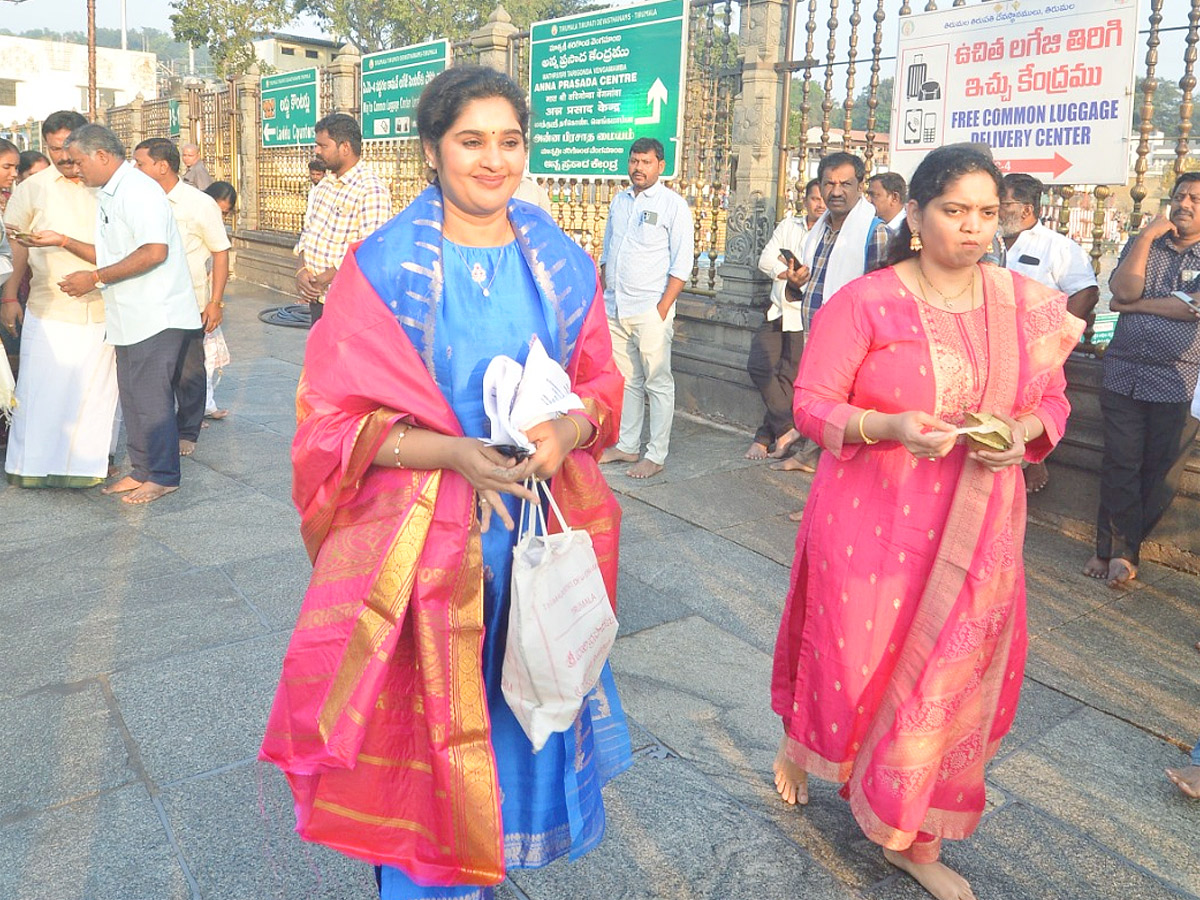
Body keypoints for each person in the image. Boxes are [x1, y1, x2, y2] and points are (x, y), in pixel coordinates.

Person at [259, 66, 632, 900]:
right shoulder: (383, 268)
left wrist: (568, 430)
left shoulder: (561, 263)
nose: (493, 161)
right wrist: (451, 453)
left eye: (509, 141)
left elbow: (601, 389)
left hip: (531, 543)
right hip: (420, 554)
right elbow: (325, 423)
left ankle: (482, 868)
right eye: (472, 141)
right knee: (429, 754)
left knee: (508, 726)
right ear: (433, 148)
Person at [770, 146, 1083, 900]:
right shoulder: (867, 301)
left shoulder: (1023, 305)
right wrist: (886, 427)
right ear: (915, 215)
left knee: (947, 679)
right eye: (954, 210)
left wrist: (1024, 432)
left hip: (976, 533)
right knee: (852, 663)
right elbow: (812, 403)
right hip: (870, 522)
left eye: (986, 212)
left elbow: (1054, 401)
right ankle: (802, 745)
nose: (973, 227)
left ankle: (910, 836)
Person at [59, 124, 200, 504]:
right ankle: (142, 469)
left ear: (102, 155)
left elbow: (155, 252)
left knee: (152, 398)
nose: (74, 169)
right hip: (130, 314)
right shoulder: (111, 192)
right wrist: (65, 243)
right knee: (134, 396)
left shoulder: (137, 190)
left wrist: (95, 277)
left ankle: (165, 475)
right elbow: (115, 254)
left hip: (157, 312)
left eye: (78, 161)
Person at [1083, 172, 1200, 587]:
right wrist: (1148, 236)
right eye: (1180, 196)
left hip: (1179, 380)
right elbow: (1121, 289)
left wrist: (1132, 307)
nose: (1185, 204)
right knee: (1120, 461)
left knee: (1159, 471)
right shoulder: (1147, 244)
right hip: (1124, 371)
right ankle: (1111, 551)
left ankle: (1123, 549)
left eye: (1196, 199)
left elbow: (1191, 310)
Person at [3, 110, 118, 489]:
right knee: (39, 390)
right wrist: (9, 296)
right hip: (48, 304)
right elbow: (17, 246)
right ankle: (32, 467)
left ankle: (87, 467)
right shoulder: (33, 188)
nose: (65, 159)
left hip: (105, 306)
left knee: (94, 392)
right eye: (56, 150)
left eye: (71, 150)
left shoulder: (109, 183)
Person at [772, 151, 890, 483]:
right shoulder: (818, 232)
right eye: (829, 183)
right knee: (821, 412)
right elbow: (806, 291)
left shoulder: (874, 232)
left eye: (845, 184)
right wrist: (796, 284)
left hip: (854, 347)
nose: (836, 191)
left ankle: (822, 494)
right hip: (817, 335)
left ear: (860, 186)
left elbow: (882, 300)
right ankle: (814, 473)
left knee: (843, 420)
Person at [598, 136, 694, 479]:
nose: (639, 168)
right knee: (627, 380)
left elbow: (682, 263)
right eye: (634, 161)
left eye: (646, 162)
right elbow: (609, 249)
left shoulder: (672, 205)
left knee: (658, 382)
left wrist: (663, 307)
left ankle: (655, 454)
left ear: (660, 166)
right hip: (617, 307)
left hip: (651, 309)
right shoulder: (620, 201)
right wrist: (608, 285)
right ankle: (627, 446)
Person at [1000, 173, 1099, 494]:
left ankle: (1033, 462)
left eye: (1003, 204)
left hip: (1037, 353)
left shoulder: (1057, 247)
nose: (996, 211)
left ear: (1027, 209)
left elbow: (1086, 292)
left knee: (1032, 410)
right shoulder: (991, 241)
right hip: (994, 344)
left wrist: (1055, 340)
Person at [134, 139, 232, 431]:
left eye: (141, 164)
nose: (135, 169)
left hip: (188, 299)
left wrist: (215, 302)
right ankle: (161, 428)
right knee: (154, 370)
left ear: (162, 166)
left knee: (188, 369)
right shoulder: (138, 199)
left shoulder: (199, 203)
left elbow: (220, 251)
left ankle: (189, 430)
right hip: (145, 298)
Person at [745, 178, 825, 459]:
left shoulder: (829, 233)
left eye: (823, 198)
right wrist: (788, 274)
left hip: (803, 315)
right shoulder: (790, 225)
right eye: (814, 198)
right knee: (759, 366)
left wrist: (794, 273)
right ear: (805, 200)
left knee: (788, 378)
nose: (820, 203)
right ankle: (786, 429)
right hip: (778, 309)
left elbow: (815, 276)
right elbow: (765, 260)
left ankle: (765, 436)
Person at [295, 113, 392, 324]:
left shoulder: (370, 190)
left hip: (349, 304)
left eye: (323, 146)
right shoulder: (324, 186)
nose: (316, 151)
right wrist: (302, 270)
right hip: (317, 297)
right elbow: (307, 234)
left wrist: (325, 278)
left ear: (345, 147)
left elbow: (369, 250)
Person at [867, 171, 908, 236]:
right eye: (868, 194)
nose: (868, 200)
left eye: (873, 195)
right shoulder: (870, 227)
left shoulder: (910, 230)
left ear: (895, 198)